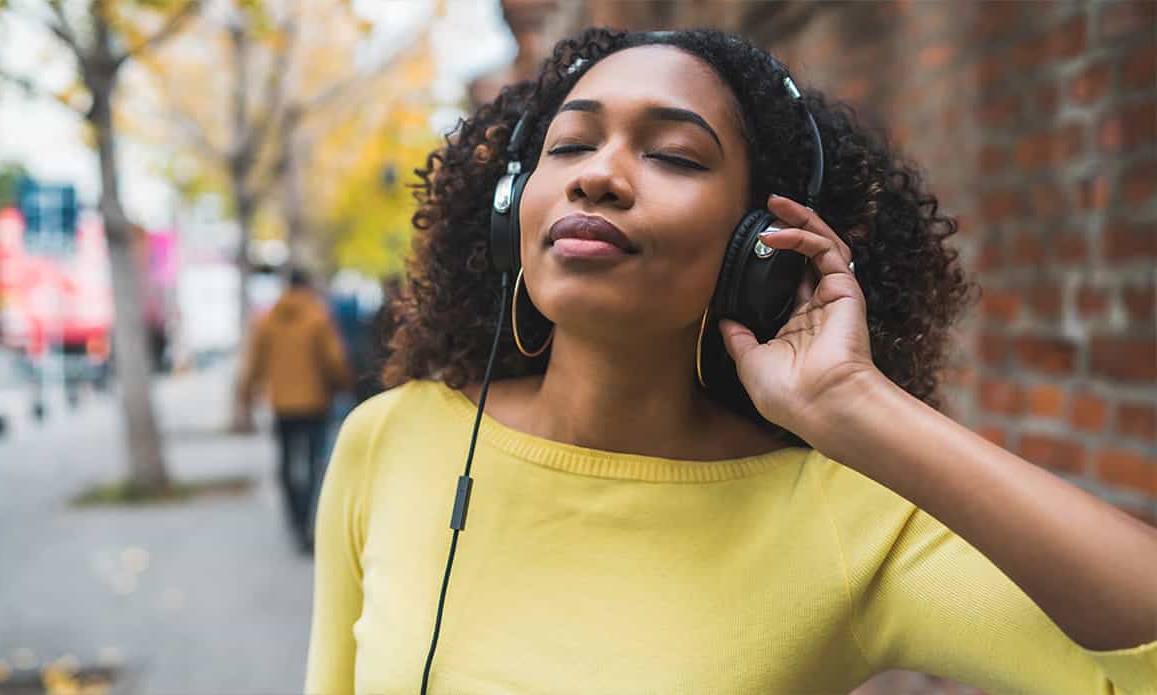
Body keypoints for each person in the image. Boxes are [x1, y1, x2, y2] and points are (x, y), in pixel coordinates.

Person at [305, 28, 1157, 694]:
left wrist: (861, 406)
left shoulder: (844, 519)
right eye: (568, 146)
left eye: (673, 154)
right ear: (508, 214)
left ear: (760, 249)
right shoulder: (390, 438)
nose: (597, 176)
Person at [241, 268, 353, 553]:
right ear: (306, 287)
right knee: (316, 463)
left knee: (287, 462)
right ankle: (309, 520)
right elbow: (334, 360)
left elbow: (254, 362)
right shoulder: (317, 318)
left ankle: (295, 517)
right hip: (316, 404)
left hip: (282, 405)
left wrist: (246, 394)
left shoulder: (267, 321)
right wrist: (342, 384)